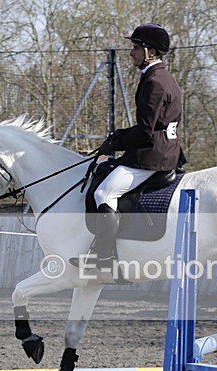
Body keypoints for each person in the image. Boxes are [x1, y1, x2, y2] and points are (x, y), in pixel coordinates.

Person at [71, 23, 185, 280]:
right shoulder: (166, 78)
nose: (131, 52)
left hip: (153, 156)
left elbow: (145, 132)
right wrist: (119, 136)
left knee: (104, 192)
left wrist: (115, 142)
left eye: (136, 47)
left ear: (151, 52)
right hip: (167, 150)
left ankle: (104, 259)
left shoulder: (154, 82)